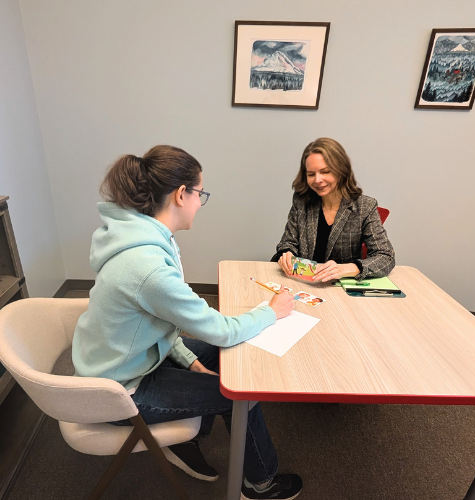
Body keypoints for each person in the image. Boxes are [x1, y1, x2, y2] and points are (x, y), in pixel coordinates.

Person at [72, 145, 303, 500]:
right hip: (118, 391)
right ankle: (262, 484)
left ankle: (188, 437)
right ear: (182, 194)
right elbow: (222, 330)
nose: (200, 202)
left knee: (219, 358)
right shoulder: (147, 265)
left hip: (128, 358)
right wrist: (272, 311)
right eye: (200, 194)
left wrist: (190, 360)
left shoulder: (141, 237)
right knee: (241, 395)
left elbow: (159, 322)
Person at [272, 138, 395, 282]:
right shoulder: (302, 201)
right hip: (303, 285)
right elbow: (288, 242)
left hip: (341, 290)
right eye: (311, 174)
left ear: (341, 170)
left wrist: (349, 268)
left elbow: (386, 256)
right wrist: (286, 254)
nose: (317, 180)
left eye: (325, 172)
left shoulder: (364, 207)